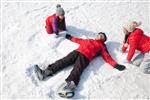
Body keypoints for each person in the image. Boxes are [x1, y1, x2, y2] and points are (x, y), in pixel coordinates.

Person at [34, 32, 126, 98]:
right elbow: (78, 40)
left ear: (103, 39)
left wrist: (115, 65)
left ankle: (70, 86)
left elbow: (107, 57)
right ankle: (45, 72)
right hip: (76, 52)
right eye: (98, 34)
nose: (99, 36)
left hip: (85, 57)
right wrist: (70, 37)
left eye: (101, 36)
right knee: (63, 61)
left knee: (77, 69)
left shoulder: (102, 46)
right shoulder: (89, 40)